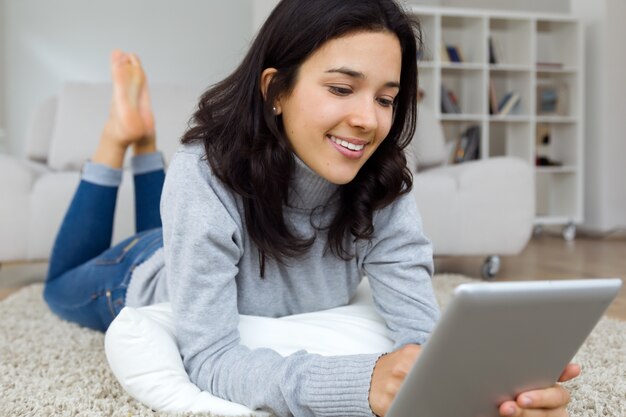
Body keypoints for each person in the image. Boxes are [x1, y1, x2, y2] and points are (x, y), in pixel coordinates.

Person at [43, 1, 580, 416]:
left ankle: (142, 142)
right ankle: (121, 140)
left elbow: (419, 335)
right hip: (142, 270)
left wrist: (483, 385)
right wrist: (358, 385)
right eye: (343, 87)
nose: (369, 120)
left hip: (192, 232)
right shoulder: (202, 172)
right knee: (58, 285)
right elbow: (206, 359)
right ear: (275, 90)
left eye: (386, 98)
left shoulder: (383, 183)